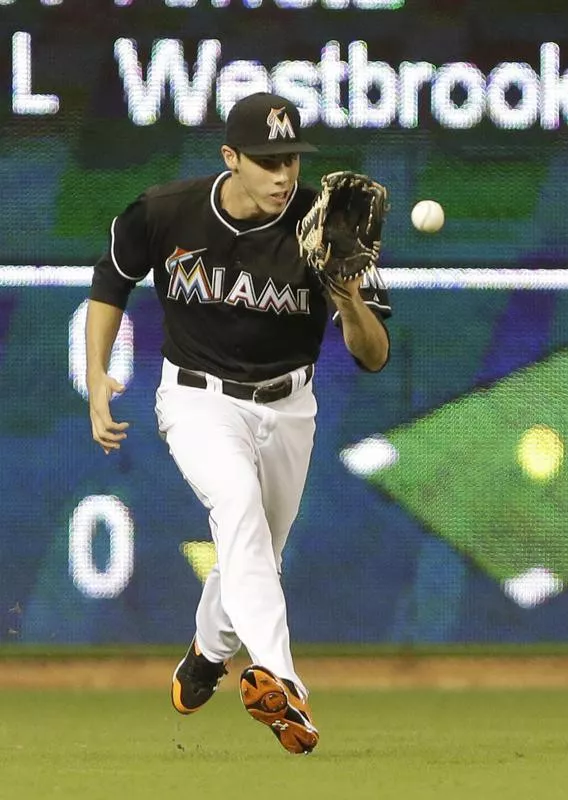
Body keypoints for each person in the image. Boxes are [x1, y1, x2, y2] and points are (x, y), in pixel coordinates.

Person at [86, 92, 392, 755]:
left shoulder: (325, 225)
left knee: (255, 553)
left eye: (290, 159)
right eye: (266, 160)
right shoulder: (170, 210)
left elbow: (372, 355)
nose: (283, 174)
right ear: (231, 158)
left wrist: (347, 295)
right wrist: (96, 378)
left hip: (289, 407)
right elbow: (110, 281)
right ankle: (283, 682)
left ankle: (206, 654)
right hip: (198, 399)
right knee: (238, 509)